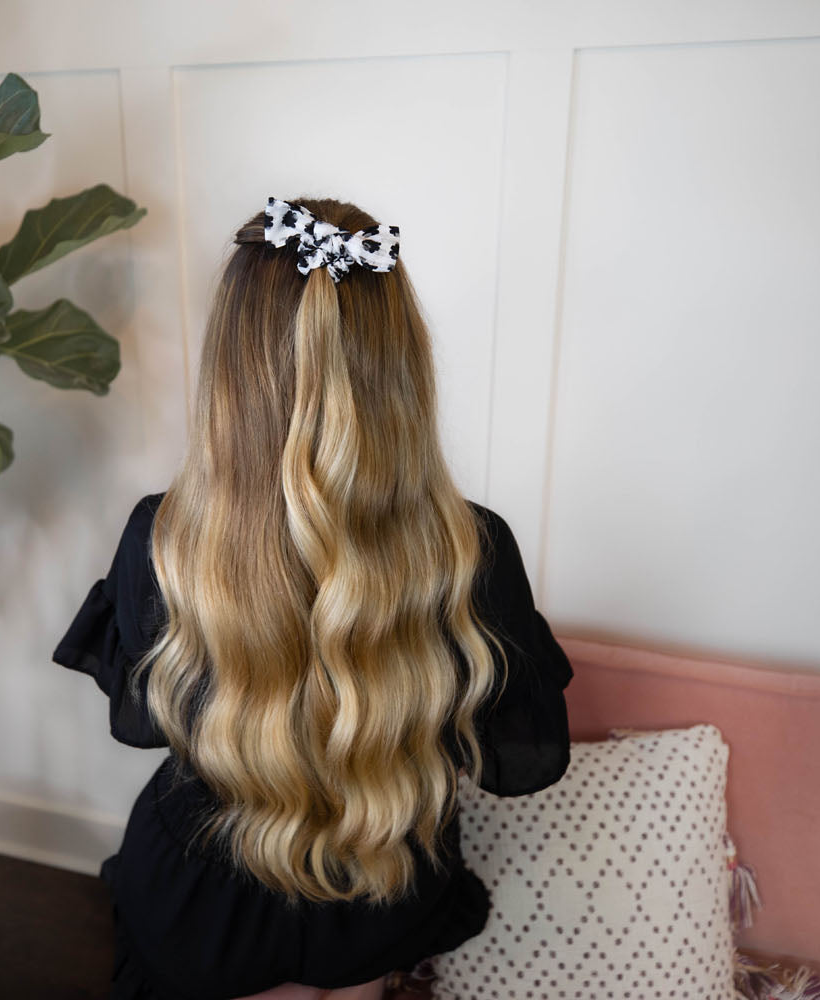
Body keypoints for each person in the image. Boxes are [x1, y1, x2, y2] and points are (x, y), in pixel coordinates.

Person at [52, 196, 574, 1000]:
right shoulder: (473, 550)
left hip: (203, 905)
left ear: (230, 366)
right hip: (381, 889)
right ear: (400, 364)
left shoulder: (162, 540)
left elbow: (144, 723)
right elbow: (511, 758)